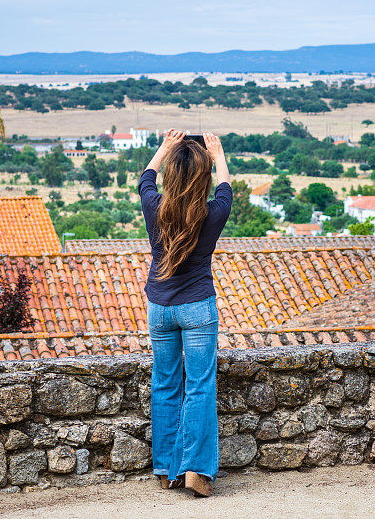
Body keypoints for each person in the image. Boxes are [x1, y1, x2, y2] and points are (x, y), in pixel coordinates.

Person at [138, 129, 232, 497]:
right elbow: (225, 186)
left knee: (164, 383)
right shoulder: (213, 214)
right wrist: (216, 151)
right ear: (202, 177)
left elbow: (145, 178)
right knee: (198, 386)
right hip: (197, 308)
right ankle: (195, 470)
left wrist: (164, 148)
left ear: (171, 176)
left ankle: (165, 469)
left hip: (159, 307)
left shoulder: (153, 207)